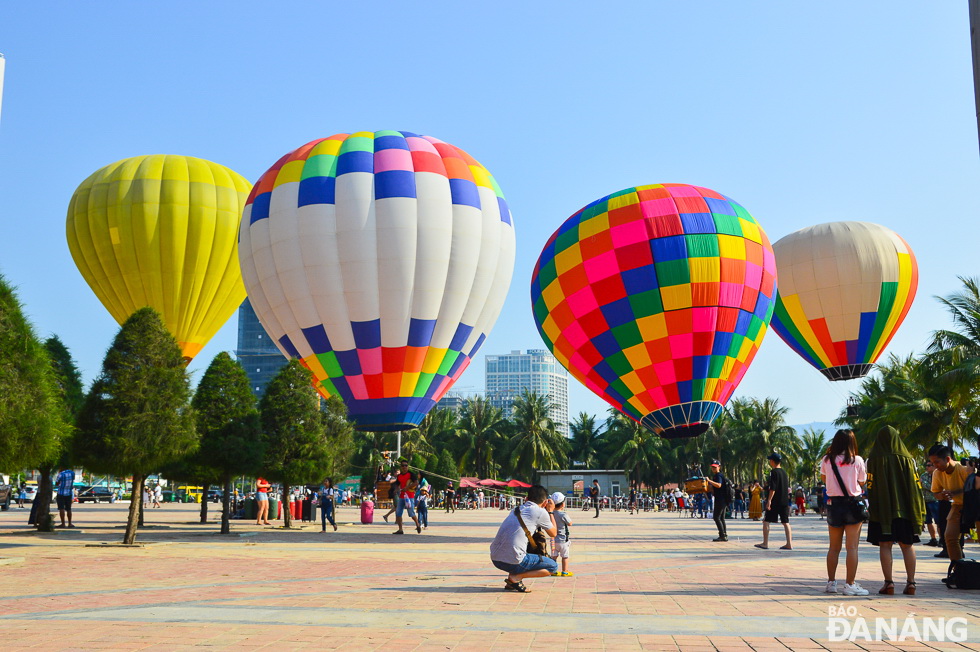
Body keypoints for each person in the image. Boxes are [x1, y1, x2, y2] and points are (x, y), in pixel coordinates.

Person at [866, 426, 924, 596]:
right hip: (906, 509)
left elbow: (870, 486)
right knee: (908, 545)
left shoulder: (872, 460)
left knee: (885, 545)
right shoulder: (909, 459)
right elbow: (916, 486)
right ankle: (911, 583)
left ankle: (889, 583)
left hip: (882, 510)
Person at [820, 429, 869, 596]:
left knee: (833, 548)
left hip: (834, 505)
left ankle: (831, 582)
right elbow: (862, 482)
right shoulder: (858, 460)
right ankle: (850, 584)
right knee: (852, 547)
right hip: (852, 505)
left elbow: (824, 479)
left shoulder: (827, 460)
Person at [489, 484, 558, 592]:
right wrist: (550, 511)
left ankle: (512, 579)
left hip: (496, 558)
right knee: (553, 567)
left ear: (526, 499)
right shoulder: (540, 511)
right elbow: (553, 533)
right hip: (513, 561)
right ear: (545, 502)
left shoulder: (516, 510)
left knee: (517, 547)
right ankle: (516, 578)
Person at [928, 444, 972, 563]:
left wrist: (954, 492)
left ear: (947, 459)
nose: (934, 466)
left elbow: (973, 487)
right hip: (957, 506)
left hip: (973, 506)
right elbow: (936, 493)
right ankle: (958, 570)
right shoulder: (937, 473)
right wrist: (941, 495)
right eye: (932, 463)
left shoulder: (963, 469)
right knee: (950, 538)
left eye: (936, 462)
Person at [756, 453, 793, 551]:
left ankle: (765, 543)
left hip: (775, 501)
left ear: (772, 461)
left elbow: (773, 488)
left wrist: (769, 500)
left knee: (766, 521)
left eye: (770, 460)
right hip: (784, 500)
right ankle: (789, 543)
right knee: (786, 522)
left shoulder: (773, 472)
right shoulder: (784, 472)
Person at [393, 460, 422, 535]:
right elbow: (397, 484)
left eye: (406, 465)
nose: (404, 467)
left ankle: (417, 524)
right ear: (401, 467)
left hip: (410, 497)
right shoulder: (399, 476)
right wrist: (396, 490)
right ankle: (400, 529)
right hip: (402, 497)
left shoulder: (411, 474)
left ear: (408, 466)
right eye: (403, 465)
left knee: (411, 513)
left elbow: (416, 483)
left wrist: (407, 487)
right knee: (398, 513)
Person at [548, 492, 573, 576]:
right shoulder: (563, 514)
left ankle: (553, 571)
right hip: (563, 540)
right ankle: (565, 571)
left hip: (553, 540)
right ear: (563, 504)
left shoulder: (550, 514)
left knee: (554, 557)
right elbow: (570, 523)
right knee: (565, 556)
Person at [704, 461, 730, 541]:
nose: (713, 468)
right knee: (721, 518)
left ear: (719, 467)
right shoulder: (718, 476)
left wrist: (709, 481)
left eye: (715, 467)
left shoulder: (718, 475)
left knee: (716, 517)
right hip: (722, 499)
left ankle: (722, 535)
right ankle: (724, 535)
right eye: (712, 467)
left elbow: (719, 485)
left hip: (721, 499)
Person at [920, 460, 940, 546]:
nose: (927, 467)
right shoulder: (923, 476)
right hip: (926, 501)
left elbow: (934, 488)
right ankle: (933, 539)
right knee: (928, 521)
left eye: (929, 465)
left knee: (938, 521)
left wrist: (923, 483)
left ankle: (942, 539)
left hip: (935, 501)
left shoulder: (938, 475)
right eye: (926, 465)